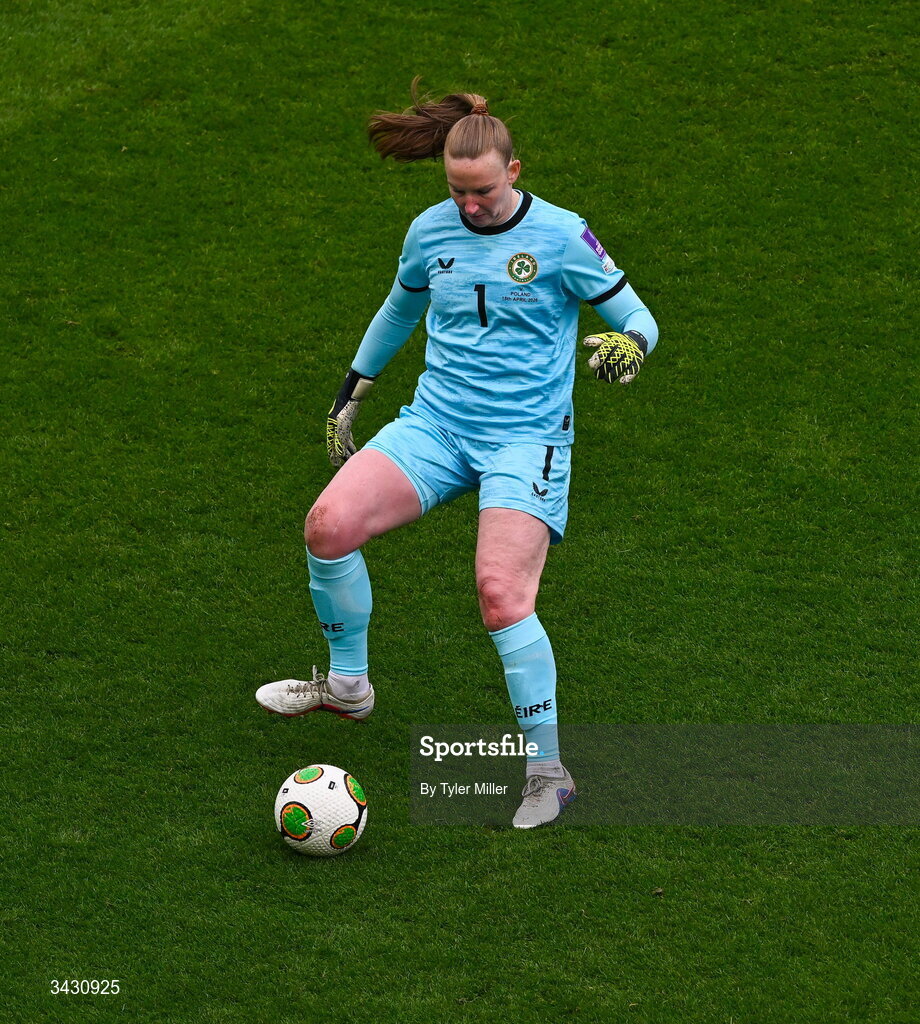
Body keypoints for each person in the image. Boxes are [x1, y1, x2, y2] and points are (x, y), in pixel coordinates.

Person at [256, 81, 658, 828]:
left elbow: (638, 316)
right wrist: (353, 391)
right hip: (437, 426)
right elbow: (400, 306)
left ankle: (548, 771)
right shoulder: (430, 232)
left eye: (480, 192)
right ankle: (348, 687)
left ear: (513, 170)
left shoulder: (564, 237)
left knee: (501, 594)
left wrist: (628, 346)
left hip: (526, 440)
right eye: (456, 191)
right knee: (327, 525)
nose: (468, 207)